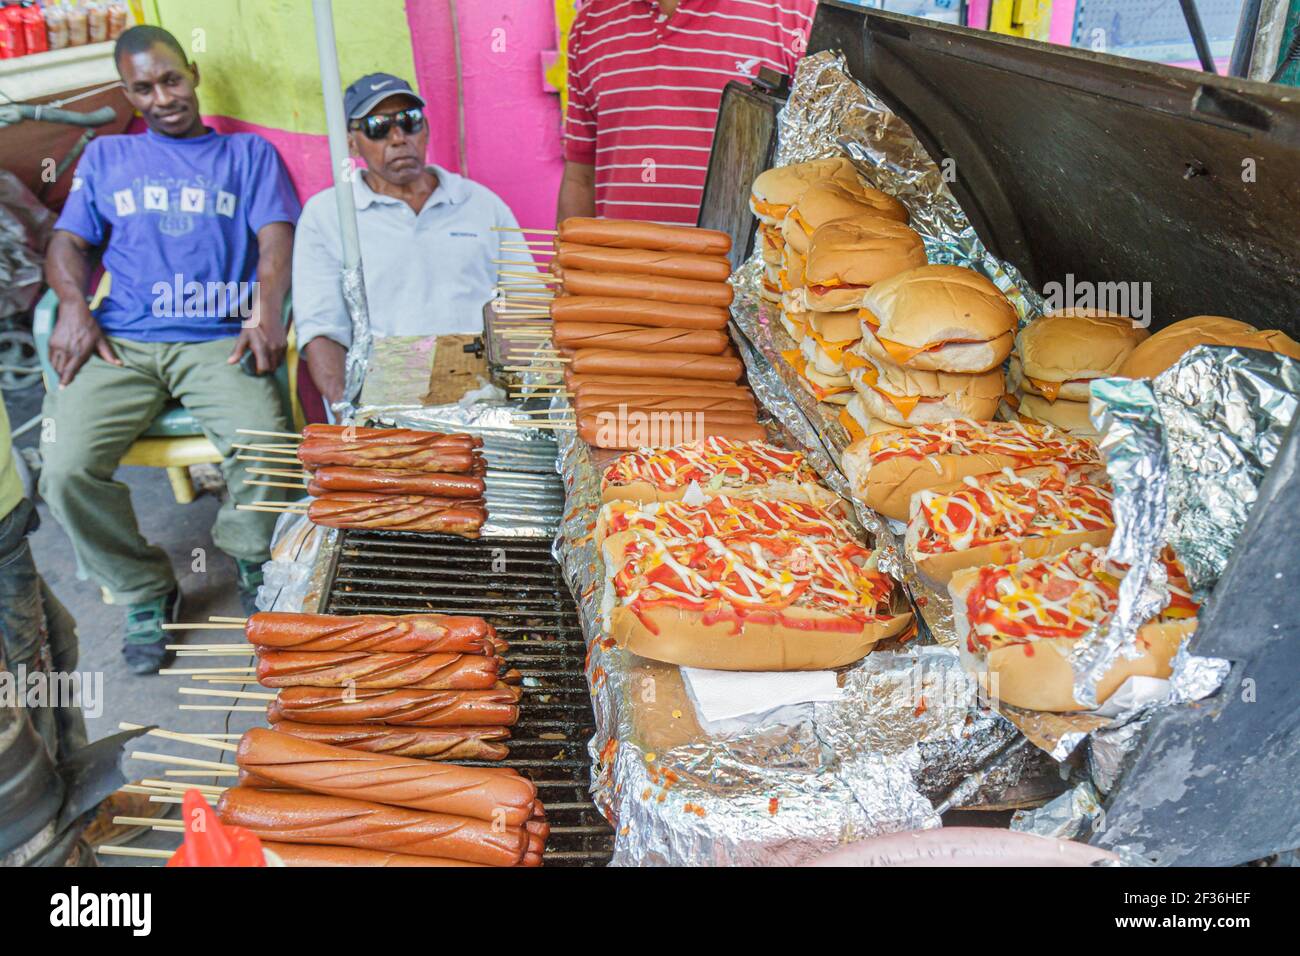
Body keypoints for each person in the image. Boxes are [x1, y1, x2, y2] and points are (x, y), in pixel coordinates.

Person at [41, 25, 301, 674]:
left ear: (193, 73)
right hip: (121, 341)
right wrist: (75, 306)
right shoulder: (105, 160)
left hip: (216, 338)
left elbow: (274, 242)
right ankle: (145, 590)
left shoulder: (248, 155)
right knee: (64, 468)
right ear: (128, 94)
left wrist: (266, 311)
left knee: (268, 442)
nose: (161, 98)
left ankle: (247, 553)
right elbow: (66, 245)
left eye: (170, 80)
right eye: (143, 88)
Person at [293, 73, 534, 412]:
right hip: (387, 399)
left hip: (484, 395)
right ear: (351, 142)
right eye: (378, 126)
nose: (398, 138)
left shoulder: (480, 204)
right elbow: (321, 330)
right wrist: (347, 413)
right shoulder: (329, 215)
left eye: (409, 121)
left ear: (426, 131)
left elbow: (528, 304)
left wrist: (524, 395)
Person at [558, 0, 818, 226]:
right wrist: (567, 261)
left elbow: (821, 178)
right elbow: (581, 175)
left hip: (742, 279)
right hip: (614, 276)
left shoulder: (796, 13)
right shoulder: (590, 23)